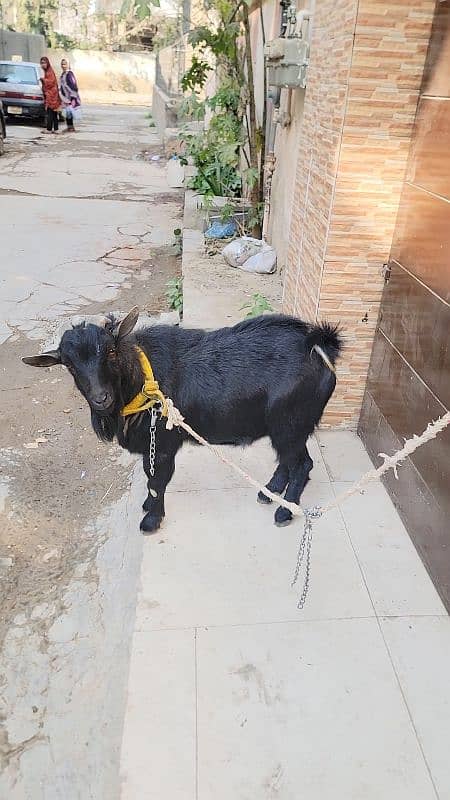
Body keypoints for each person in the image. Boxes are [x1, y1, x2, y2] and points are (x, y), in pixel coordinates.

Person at [40, 56, 61, 134]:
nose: (43, 65)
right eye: (41, 63)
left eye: (44, 63)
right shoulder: (47, 71)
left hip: (52, 95)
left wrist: (43, 80)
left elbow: (50, 82)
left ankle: (49, 129)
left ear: (47, 63)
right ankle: (56, 129)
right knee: (53, 112)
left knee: (50, 112)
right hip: (52, 94)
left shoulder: (49, 72)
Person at [59, 59, 81, 133]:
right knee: (67, 112)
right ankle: (69, 127)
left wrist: (72, 97)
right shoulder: (63, 74)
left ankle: (71, 127)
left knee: (69, 112)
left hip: (70, 97)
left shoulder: (69, 74)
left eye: (65, 64)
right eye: (62, 64)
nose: (63, 66)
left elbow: (73, 85)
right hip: (65, 97)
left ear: (68, 65)